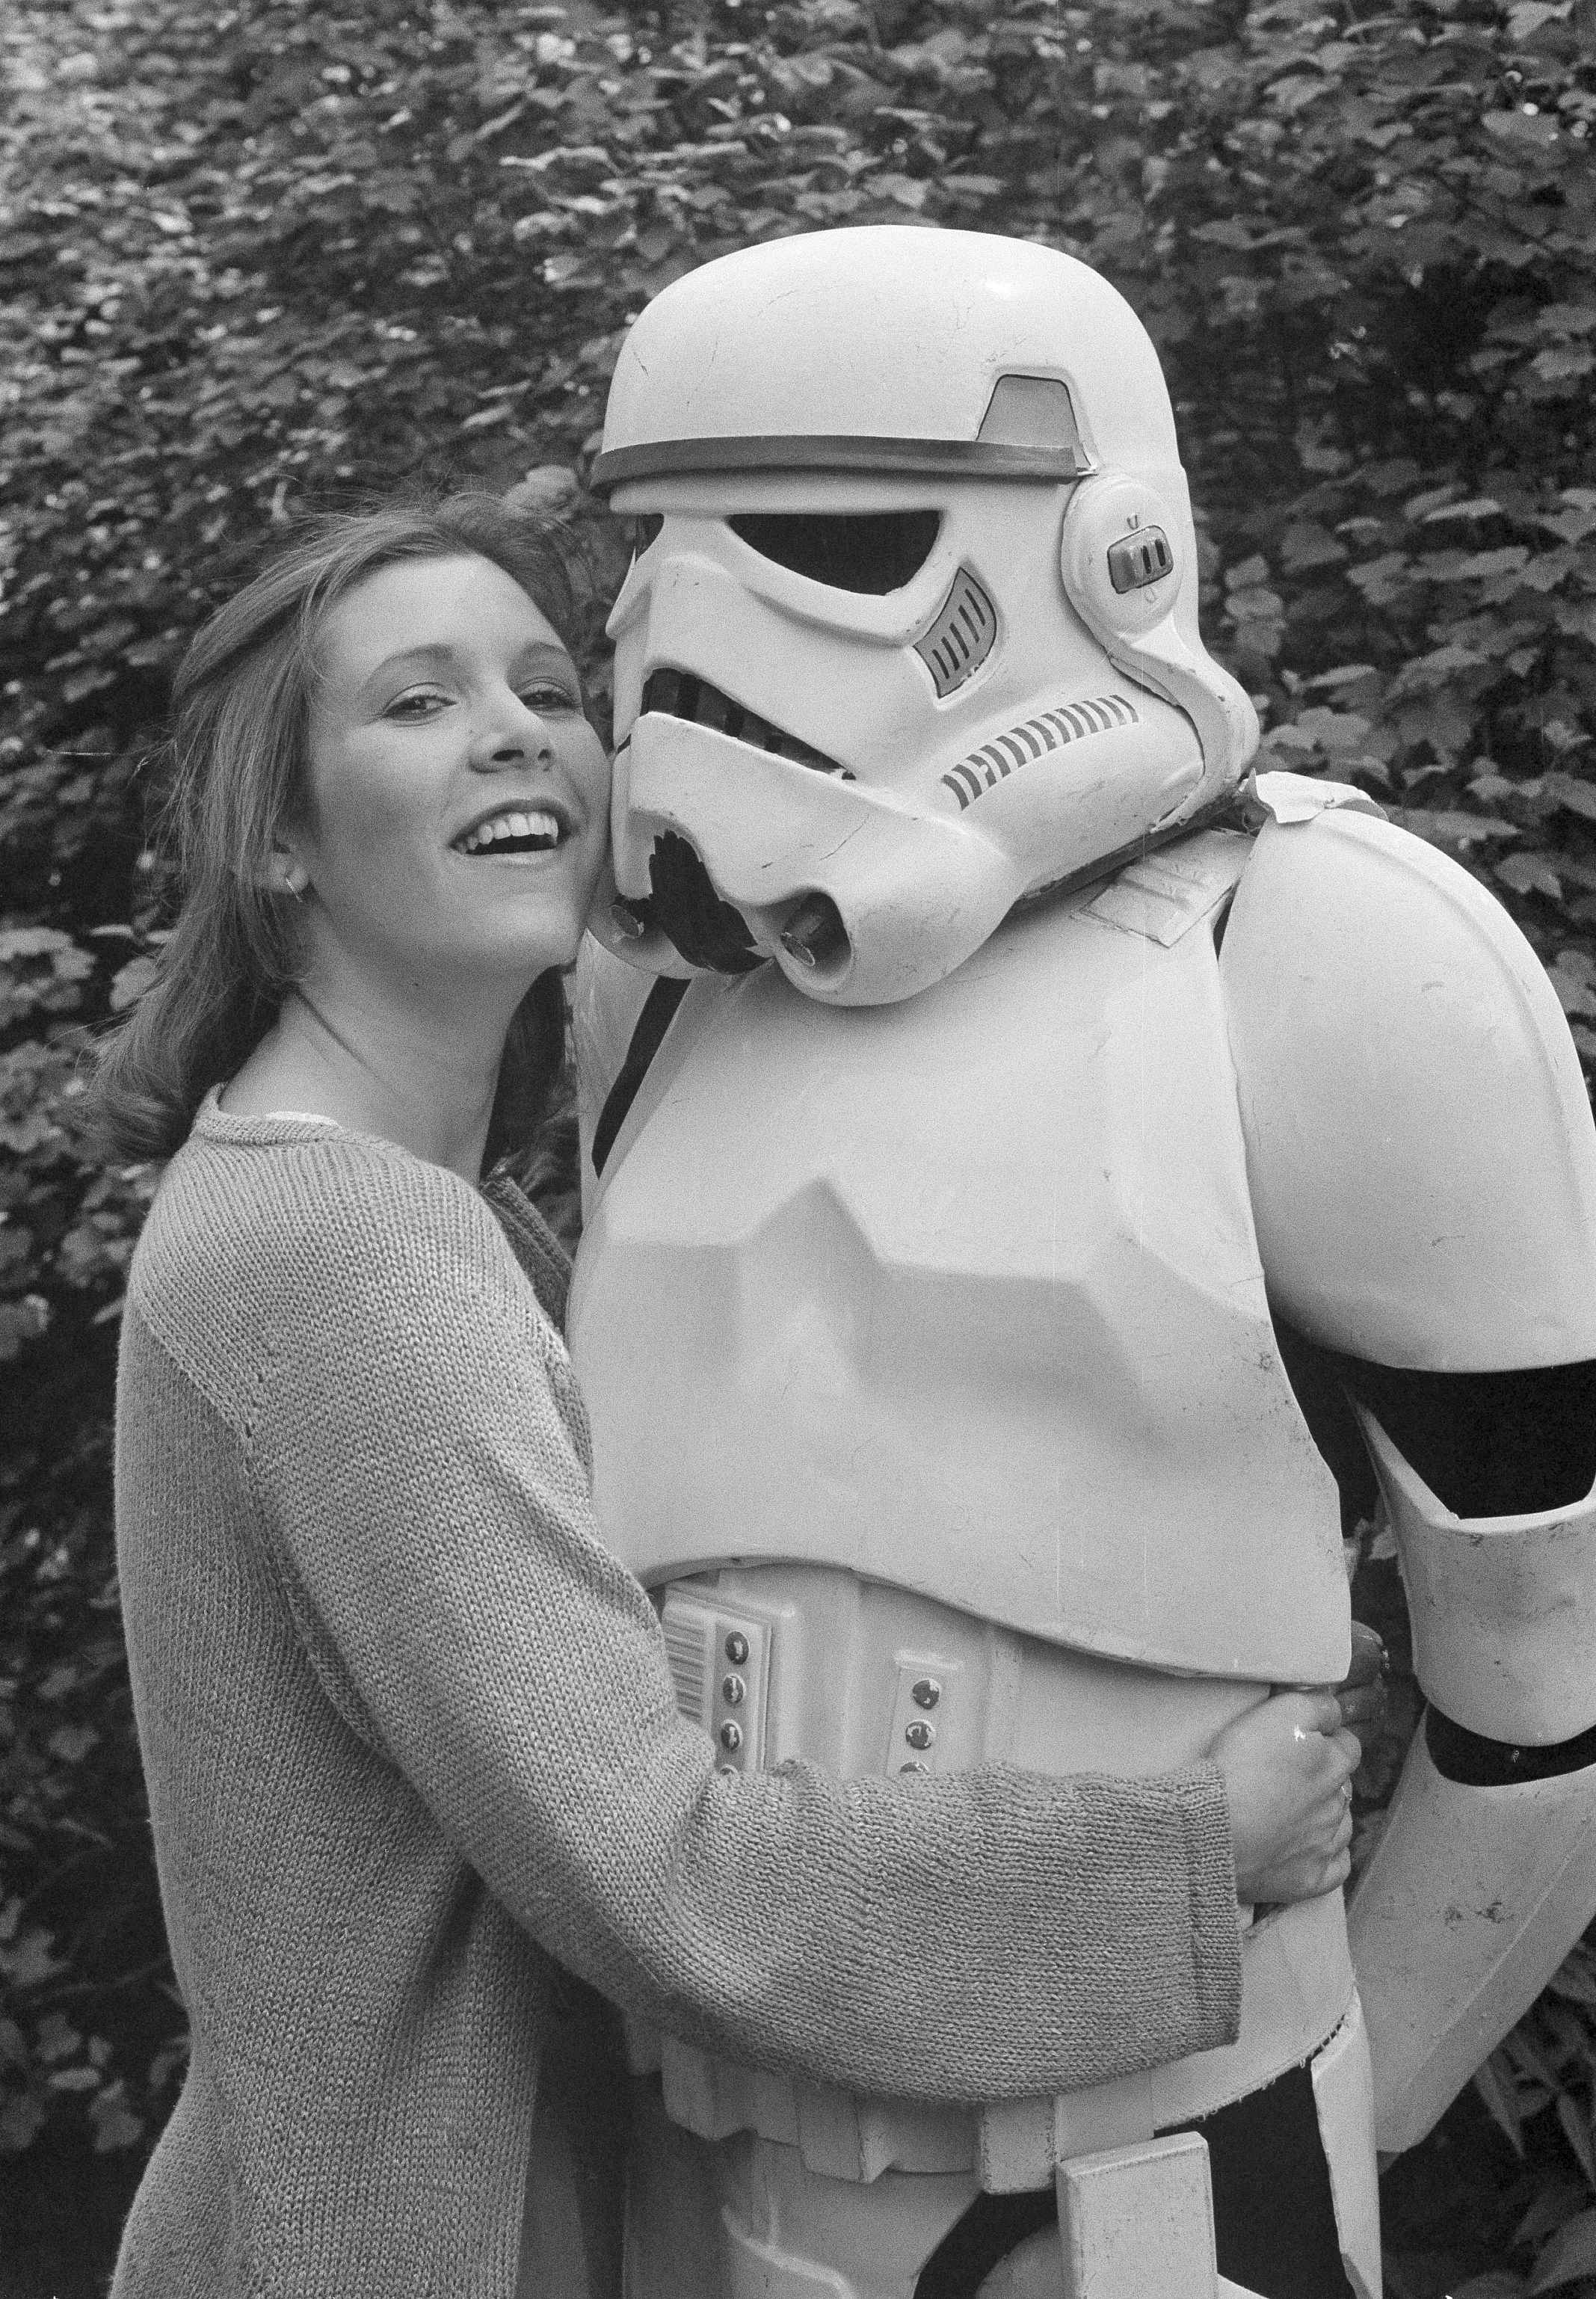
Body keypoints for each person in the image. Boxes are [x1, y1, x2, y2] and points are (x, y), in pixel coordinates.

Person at [94, 494, 1367, 2299]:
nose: (517, 727)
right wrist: (1187, 1854)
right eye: (418, 700)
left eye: (547, 682)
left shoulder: (400, 1210)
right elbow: (662, 1869)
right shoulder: (344, 1262)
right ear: (279, 834)